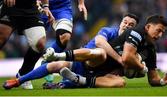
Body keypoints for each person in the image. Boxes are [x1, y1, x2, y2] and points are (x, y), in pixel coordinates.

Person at [3, 13, 141, 89]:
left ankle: (72, 82)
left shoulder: (132, 45)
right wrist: (119, 59)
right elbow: (99, 42)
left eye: (131, 25)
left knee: (120, 82)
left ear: (134, 29)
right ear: (120, 22)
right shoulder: (109, 31)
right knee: (58, 65)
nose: (127, 25)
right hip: (84, 62)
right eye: (125, 22)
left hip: (98, 74)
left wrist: (136, 68)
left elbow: (128, 69)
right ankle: (18, 80)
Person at [0, 0, 54, 89]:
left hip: (31, 10)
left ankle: (23, 75)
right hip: (9, 8)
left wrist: (45, 6)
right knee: (1, 38)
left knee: (40, 43)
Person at [37, 0, 87, 84]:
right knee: (37, 42)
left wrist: (81, 3)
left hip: (62, 7)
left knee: (65, 37)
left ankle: (47, 61)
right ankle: (23, 73)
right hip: (41, 6)